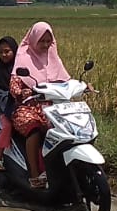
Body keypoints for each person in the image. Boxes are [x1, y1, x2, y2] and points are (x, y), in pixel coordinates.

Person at [9, 21, 72, 188]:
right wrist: (22, 92)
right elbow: (14, 82)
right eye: (41, 41)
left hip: (51, 107)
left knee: (66, 130)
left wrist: (83, 86)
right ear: (34, 39)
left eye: (48, 41)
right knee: (35, 130)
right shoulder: (24, 58)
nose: (45, 45)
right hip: (27, 107)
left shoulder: (53, 57)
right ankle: (35, 175)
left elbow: (66, 79)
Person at [0, 36, 18, 171]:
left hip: (24, 105)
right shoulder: (1, 71)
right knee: (7, 125)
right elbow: (0, 95)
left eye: (7, 51)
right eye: (1, 52)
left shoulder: (20, 68)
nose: (4, 55)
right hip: (5, 108)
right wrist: (12, 105)